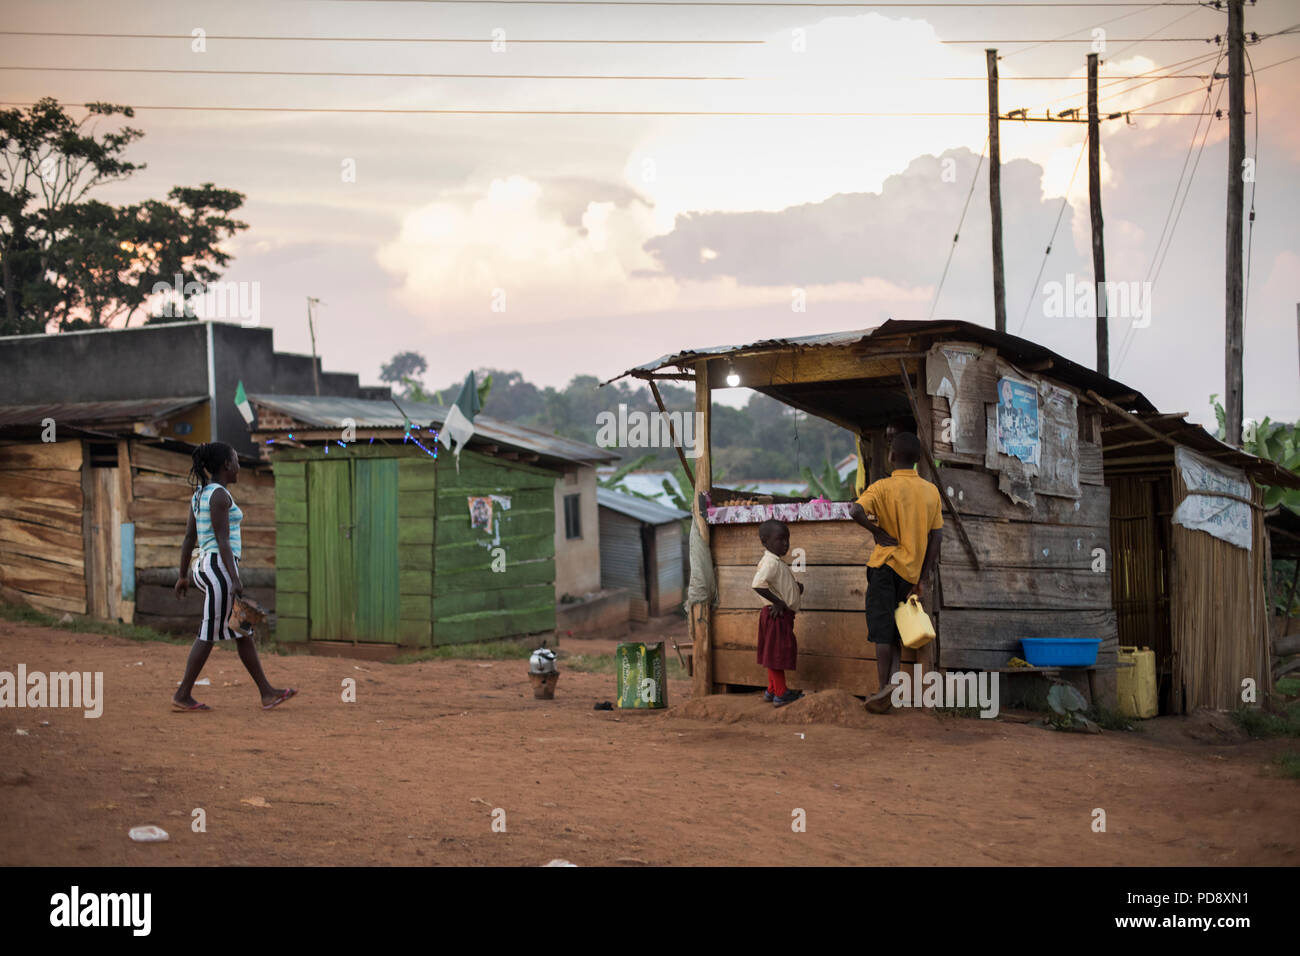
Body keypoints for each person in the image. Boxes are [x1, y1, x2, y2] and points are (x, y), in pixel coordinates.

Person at [172, 442, 297, 712]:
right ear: (227, 465)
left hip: (206, 567)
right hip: (220, 569)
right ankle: (182, 694)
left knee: (243, 630)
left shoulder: (200, 494)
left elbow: (188, 539)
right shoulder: (219, 496)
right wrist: (235, 578)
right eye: (236, 460)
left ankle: (267, 692)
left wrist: (183, 576)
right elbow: (223, 540)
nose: (239, 464)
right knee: (208, 633)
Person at [849, 431, 943, 714]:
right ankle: (892, 689)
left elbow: (855, 511)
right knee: (897, 630)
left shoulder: (882, 487)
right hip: (910, 573)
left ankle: (882, 691)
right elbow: (936, 537)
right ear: (917, 460)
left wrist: (876, 532)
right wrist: (922, 578)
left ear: (891, 456)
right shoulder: (930, 491)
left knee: (882, 632)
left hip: (884, 567)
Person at [751, 518, 805, 708]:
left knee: (773, 652)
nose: (785, 544)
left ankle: (773, 689)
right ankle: (781, 693)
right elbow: (758, 584)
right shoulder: (771, 563)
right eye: (780, 539)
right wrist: (779, 602)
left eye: (787, 539)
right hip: (777, 616)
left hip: (779, 616)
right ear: (765, 542)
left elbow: (777, 584)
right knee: (777, 655)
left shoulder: (775, 562)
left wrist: (796, 588)